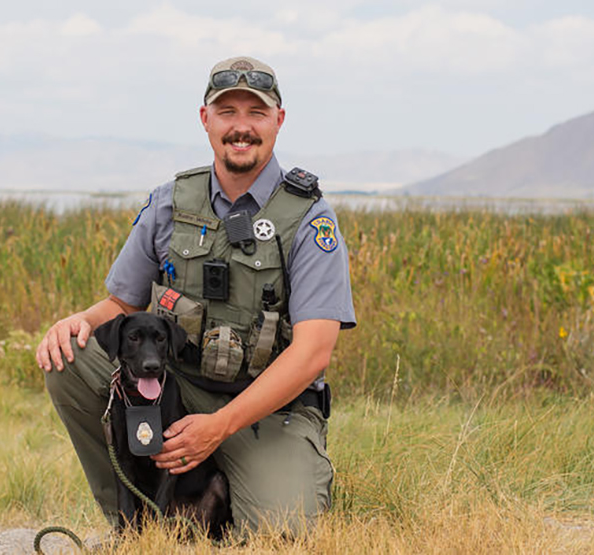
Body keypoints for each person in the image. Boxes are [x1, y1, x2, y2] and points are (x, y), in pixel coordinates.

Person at [36, 55, 356, 535]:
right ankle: (136, 521)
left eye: (257, 112)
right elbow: (120, 307)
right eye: (227, 112)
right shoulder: (169, 202)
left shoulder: (308, 219)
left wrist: (220, 425)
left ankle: (242, 486)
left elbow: (313, 352)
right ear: (205, 119)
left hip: (266, 410)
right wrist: (74, 322)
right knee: (69, 355)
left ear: (279, 121)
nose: (241, 127)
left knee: (283, 532)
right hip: (173, 388)